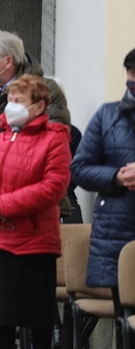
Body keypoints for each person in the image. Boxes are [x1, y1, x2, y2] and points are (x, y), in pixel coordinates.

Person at [0, 75, 70, 349]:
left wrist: (5, 205)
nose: (11, 107)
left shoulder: (54, 139)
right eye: (9, 100)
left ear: (39, 107)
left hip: (31, 243)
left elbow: (53, 187)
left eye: (19, 101)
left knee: (35, 322)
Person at [0, 30, 70, 166]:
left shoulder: (46, 89)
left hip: (30, 178)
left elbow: (55, 136)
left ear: (8, 61)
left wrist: (12, 165)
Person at [71, 48, 135, 290]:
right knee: (124, 319)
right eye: (131, 72)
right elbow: (79, 168)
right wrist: (116, 177)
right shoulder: (107, 116)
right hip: (115, 233)